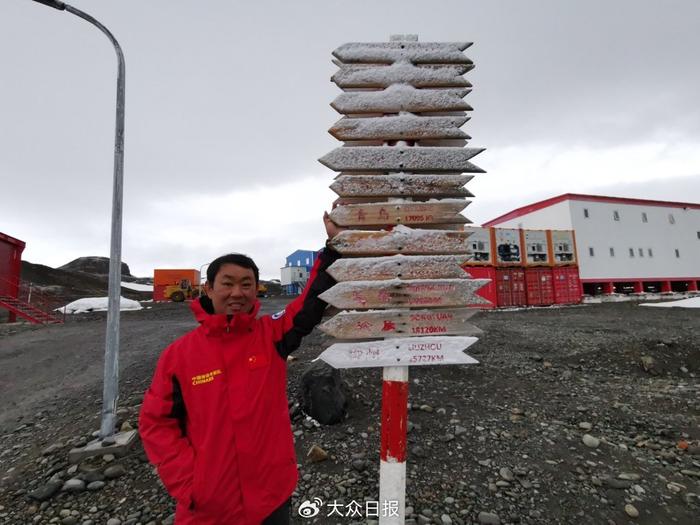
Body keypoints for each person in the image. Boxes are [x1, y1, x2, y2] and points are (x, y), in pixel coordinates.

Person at [139, 213, 343, 524]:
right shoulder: (178, 356)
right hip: (209, 508)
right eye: (228, 283)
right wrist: (190, 484)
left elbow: (309, 304)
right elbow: (156, 422)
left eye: (247, 284)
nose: (238, 293)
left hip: (271, 498)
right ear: (208, 289)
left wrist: (333, 245)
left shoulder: (271, 336)